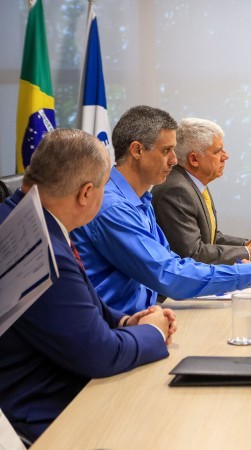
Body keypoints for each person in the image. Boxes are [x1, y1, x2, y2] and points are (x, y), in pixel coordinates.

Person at [0, 129, 177, 442]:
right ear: (85, 193)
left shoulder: (17, 216)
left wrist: (124, 321)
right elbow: (101, 355)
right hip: (48, 417)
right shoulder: (43, 249)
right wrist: (152, 332)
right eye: (105, 186)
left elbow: (74, 300)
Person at [72, 105, 251, 315]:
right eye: (166, 151)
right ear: (137, 151)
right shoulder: (113, 207)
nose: (175, 160)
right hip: (116, 327)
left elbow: (172, 261)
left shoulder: (141, 199)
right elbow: (167, 274)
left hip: (147, 315)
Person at [151, 118, 251, 264]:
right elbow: (194, 253)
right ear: (194, 159)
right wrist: (248, 253)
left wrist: (245, 245)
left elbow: (210, 237)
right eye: (218, 151)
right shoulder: (176, 191)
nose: (226, 156)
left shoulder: (191, 183)